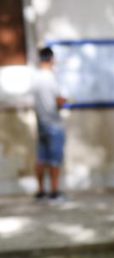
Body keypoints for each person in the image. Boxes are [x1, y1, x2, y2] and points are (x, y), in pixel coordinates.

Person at [31, 47, 67, 201]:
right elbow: (58, 101)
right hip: (53, 123)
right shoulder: (51, 78)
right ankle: (54, 191)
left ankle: (41, 191)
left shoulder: (36, 78)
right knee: (54, 159)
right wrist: (63, 102)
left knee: (41, 158)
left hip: (41, 123)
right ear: (51, 59)